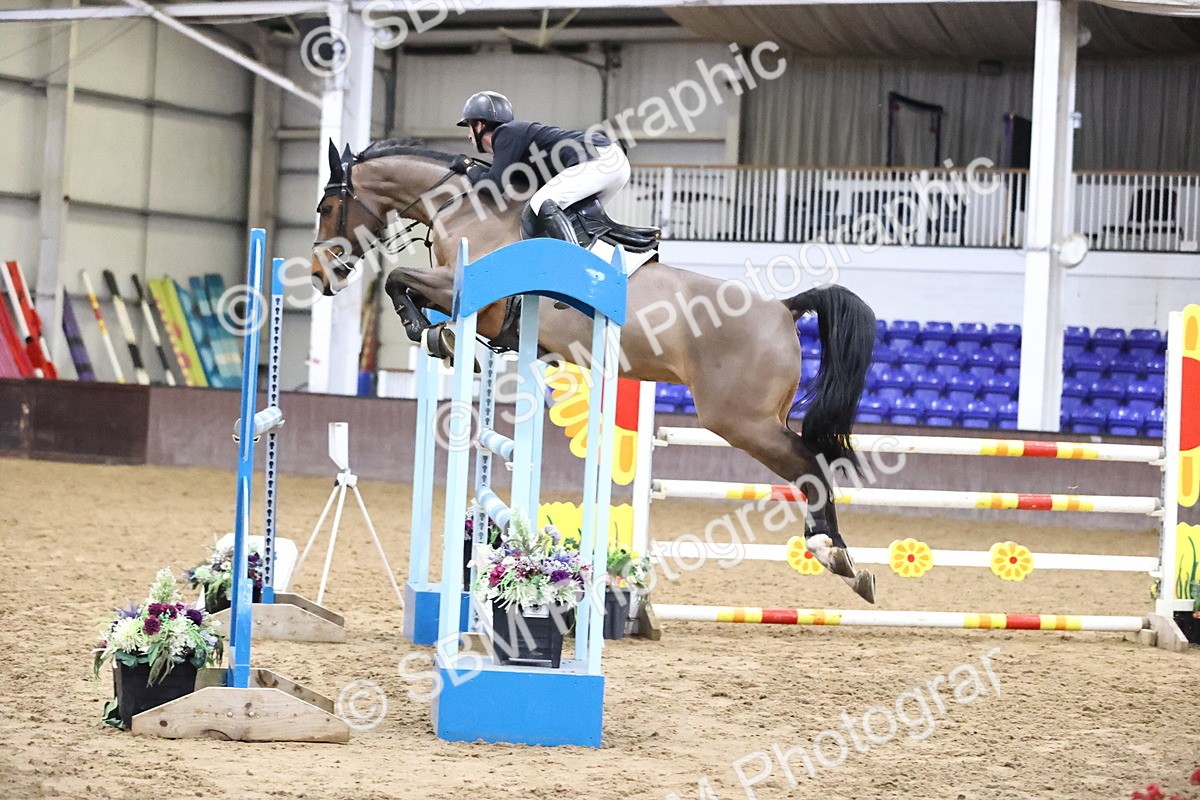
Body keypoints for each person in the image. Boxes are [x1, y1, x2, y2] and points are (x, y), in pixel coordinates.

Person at [450, 90, 632, 245]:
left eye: (469, 127)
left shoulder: (504, 134)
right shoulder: (515, 139)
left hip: (600, 160)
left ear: (479, 125)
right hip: (611, 162)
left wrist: (468, 166)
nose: (468, 136)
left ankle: (574, 267)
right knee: (574, 219)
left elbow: (493, 187)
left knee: (541, 203)